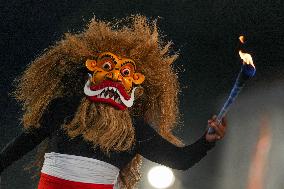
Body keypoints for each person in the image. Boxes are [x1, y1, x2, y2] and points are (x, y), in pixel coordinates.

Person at [0, 15, 226, 189]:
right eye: (107, 68)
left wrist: (207, 140)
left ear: (136, 85)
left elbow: (180, 160)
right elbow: (19, 146)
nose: (115, 78)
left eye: (125, 73)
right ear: (91, 69)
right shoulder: (64, 108)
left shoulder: (134, 129)